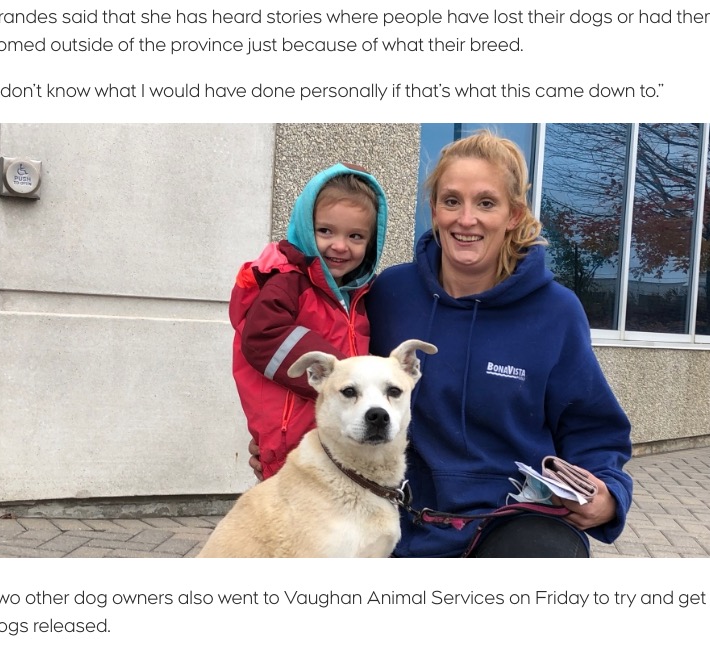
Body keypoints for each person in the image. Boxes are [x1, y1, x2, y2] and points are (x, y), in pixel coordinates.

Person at [364, 130, 633, 557]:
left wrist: (608, 494)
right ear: (434, 210)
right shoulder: (389, 294)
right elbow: (339, 380)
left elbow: (592, 428)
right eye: (451, 201)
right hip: (393, 512)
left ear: (513, 214)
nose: (465, 219)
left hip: (512, 519)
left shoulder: (556, 312)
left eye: (485, 203)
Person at [231, 162, 388, 479]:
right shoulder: (287, 282)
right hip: (290, 444)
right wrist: (344, 374)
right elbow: (263, 337)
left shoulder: (357, 296)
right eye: (325, 231)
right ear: (305, 227)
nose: (340, 245)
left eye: (355, 236)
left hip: (338, 442)